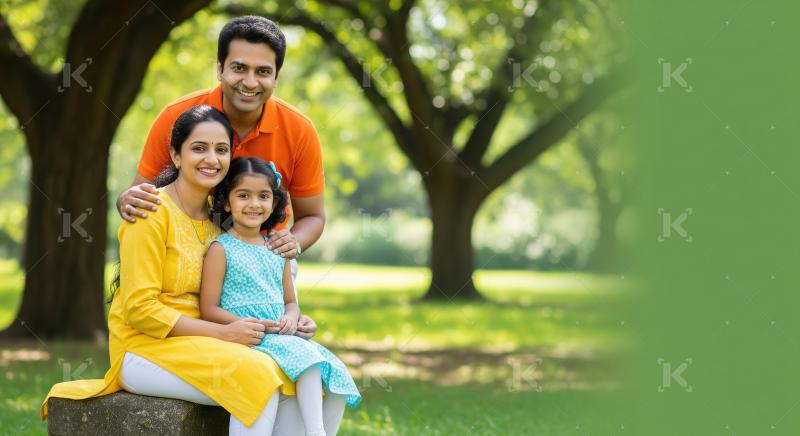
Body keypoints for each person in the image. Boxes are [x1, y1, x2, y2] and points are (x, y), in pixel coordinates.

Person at [41, 105, 316, 435]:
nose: (211, 159)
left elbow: (241, 294)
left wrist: (287, 320)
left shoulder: (220, 222)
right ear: (175, 155)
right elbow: (140, 310)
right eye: (199, 148)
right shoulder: (149, 212)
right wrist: (224, 334)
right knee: (259, 377)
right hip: (144, 349)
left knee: (292, 368)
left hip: (205, 343)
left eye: (221, 150)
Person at [115, 15, 325, 336]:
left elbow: (314, 216)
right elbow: (141, 197)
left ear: (276, 77)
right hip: (190, 253)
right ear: (219, 68)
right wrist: (125, 200)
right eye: (239, 68)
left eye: (263, 71)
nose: (250, 82)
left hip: (265, 259)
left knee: (284, 344)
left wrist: (292, 242)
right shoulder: (178, 117)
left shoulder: (299, 130)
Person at [201, 157, 360, 435]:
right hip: (249, 337)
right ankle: (316, 432)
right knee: (309, 361)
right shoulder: (221, 249)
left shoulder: (278, 249)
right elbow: (208, 308)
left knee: (336, 375)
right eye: (243, 195)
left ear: (274, 203)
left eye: (263, 196)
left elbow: (290, 301)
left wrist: (291, 317)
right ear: (226, 202)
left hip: (281, 335)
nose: (254, 204)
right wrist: (246, 324)